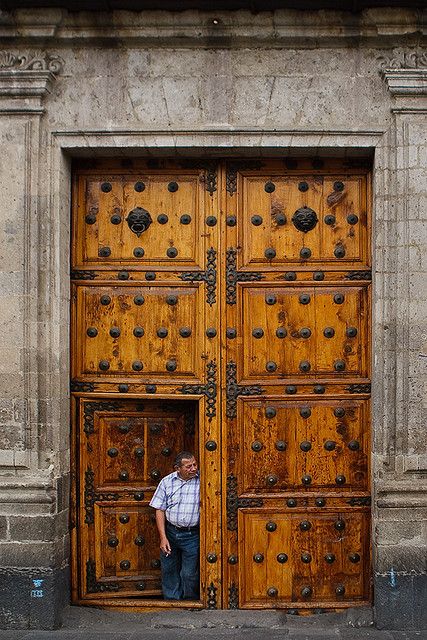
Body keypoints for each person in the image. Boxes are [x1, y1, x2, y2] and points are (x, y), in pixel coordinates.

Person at [149, 451, 200, 600]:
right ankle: (172, 603)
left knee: (189, 573)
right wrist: (163, 537)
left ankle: (190, 602)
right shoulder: (167, 482)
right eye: (188, 466)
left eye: (195, 464)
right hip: (171, 532)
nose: (193, 468)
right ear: (178, 468)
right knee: (169, 569)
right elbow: (159, 509)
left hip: (192, 534)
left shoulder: (203, 480)